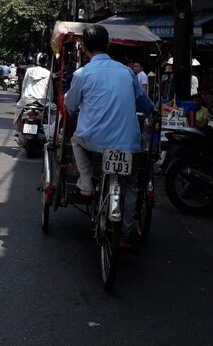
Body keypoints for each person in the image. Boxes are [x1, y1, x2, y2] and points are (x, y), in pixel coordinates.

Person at [64, 25, 154, 250]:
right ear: (109, 45)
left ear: (84, 48)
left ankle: (85, 183)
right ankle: (125, 234)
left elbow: (70, 105)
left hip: (93, 141)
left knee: (76, 140)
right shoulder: (127, 72)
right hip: (128, 143)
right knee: (131, 183)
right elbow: (144, 102)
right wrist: (154, 111)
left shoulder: (82, 74)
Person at [14, 53, 51, 131]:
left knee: (18, 108)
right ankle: (50, 133)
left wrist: (22, 97)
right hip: (43, 101)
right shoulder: (48, 73)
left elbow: (24, 85)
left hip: (28, 100)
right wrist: (50, 100)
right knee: (52, 113)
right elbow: (50, 90)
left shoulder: (29, 71)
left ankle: (18, 130)